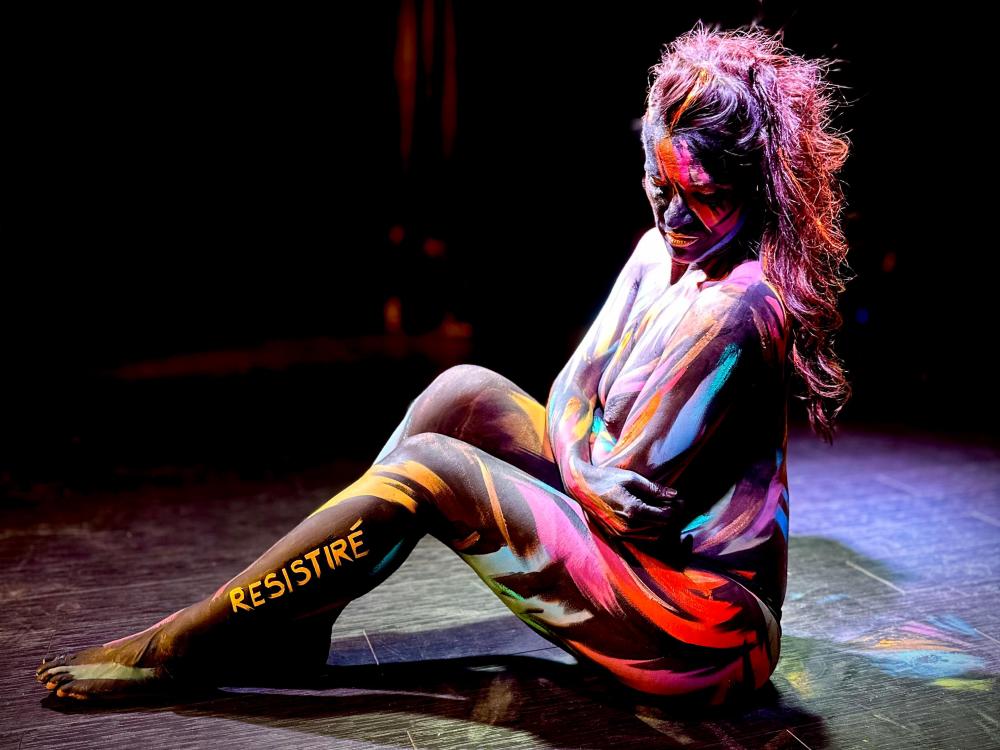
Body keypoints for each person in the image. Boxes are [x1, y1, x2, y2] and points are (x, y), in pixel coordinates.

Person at [36, 21, 852, 707]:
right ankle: (292, 619)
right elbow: (573, 392)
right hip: (638, 559)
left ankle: (190, 644)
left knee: (436, 471)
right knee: (463, 393)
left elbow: (633, 513)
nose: (673, 213)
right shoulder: (657, 252)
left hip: (702, 631)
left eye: (701, 193)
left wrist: (577, 453)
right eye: (657, 182)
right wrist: (583, 457)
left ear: (751, 185)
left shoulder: (738, 309)